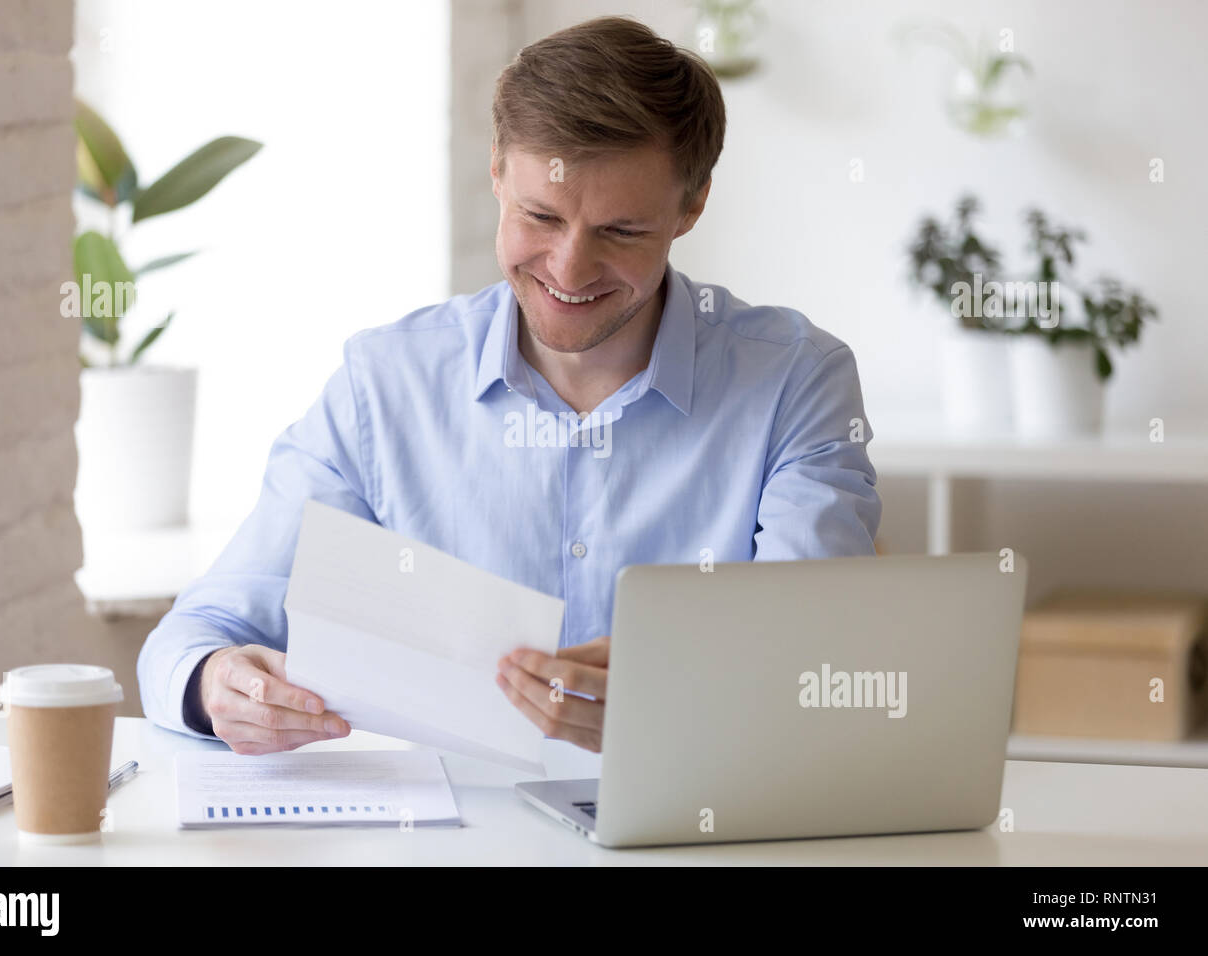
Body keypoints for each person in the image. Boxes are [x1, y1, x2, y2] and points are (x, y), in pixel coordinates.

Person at [137, 16, 882, 757]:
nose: (568, 268)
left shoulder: (794, 382)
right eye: (540, 216)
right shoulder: (386, 387)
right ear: (496, 171)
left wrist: (681, 693)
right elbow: (199, 634)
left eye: (621, 232)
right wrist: (218, 686)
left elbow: (811, 661)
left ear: (691, 207)